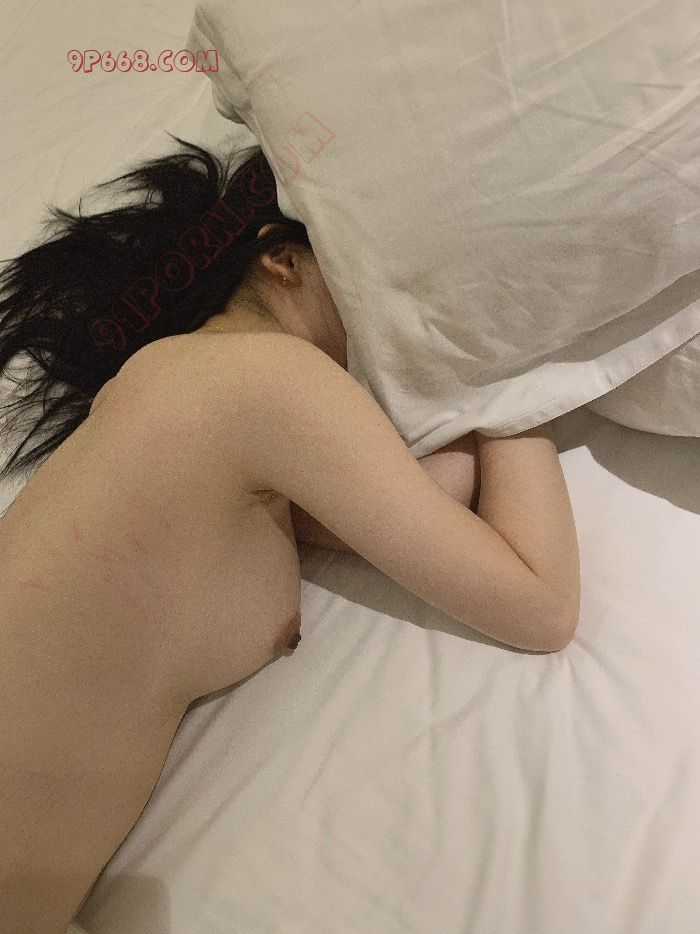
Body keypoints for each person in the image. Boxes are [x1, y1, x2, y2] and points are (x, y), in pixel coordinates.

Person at [0, 138, 580, 932]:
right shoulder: (261, 375)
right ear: (282, 258)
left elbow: (442, 502)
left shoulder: (197, 400)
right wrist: (509, 353)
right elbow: (540, 604)